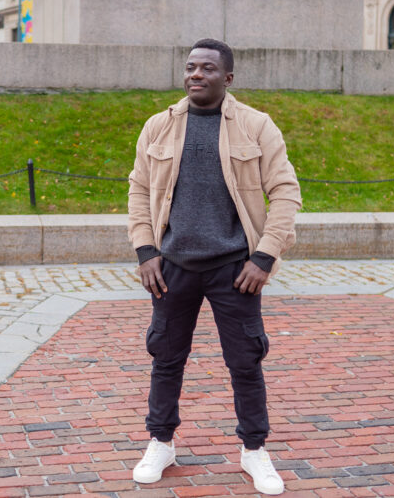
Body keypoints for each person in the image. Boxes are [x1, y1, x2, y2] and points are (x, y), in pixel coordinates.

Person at [127, 39, 301, 494]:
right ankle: (160, 441)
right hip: (173, 266)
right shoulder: (158, 127)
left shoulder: (256, 126)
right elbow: (137, 191)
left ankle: (254, 450)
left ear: (227, 78)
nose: (195, 75)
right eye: (190, 67)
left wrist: (264, 257)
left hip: (234, 268)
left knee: (245, 361)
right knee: (166, 357)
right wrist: (146, 251)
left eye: (207, 68)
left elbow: (285, 192)